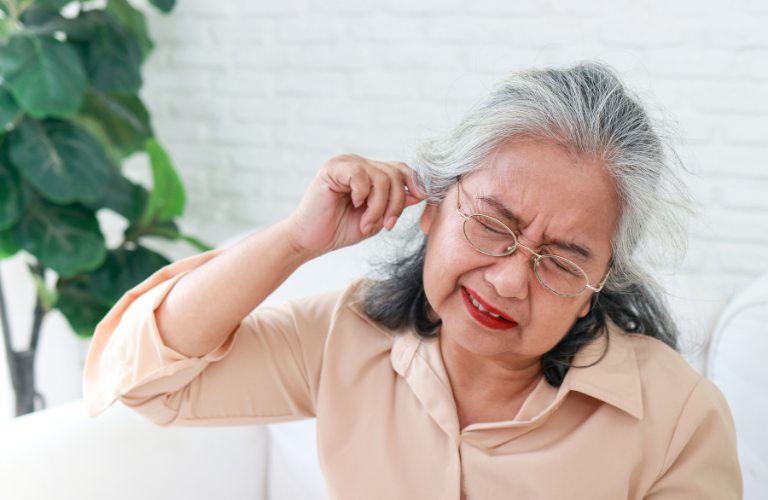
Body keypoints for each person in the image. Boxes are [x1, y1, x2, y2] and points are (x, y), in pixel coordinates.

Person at [84, 62, 742, 499]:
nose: (512, 280)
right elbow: (141, 380)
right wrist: (294, 240)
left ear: (603, 279)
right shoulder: (347, 332)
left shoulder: (675, 415)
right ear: (431, 206)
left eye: (564, 260)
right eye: (491, 225)